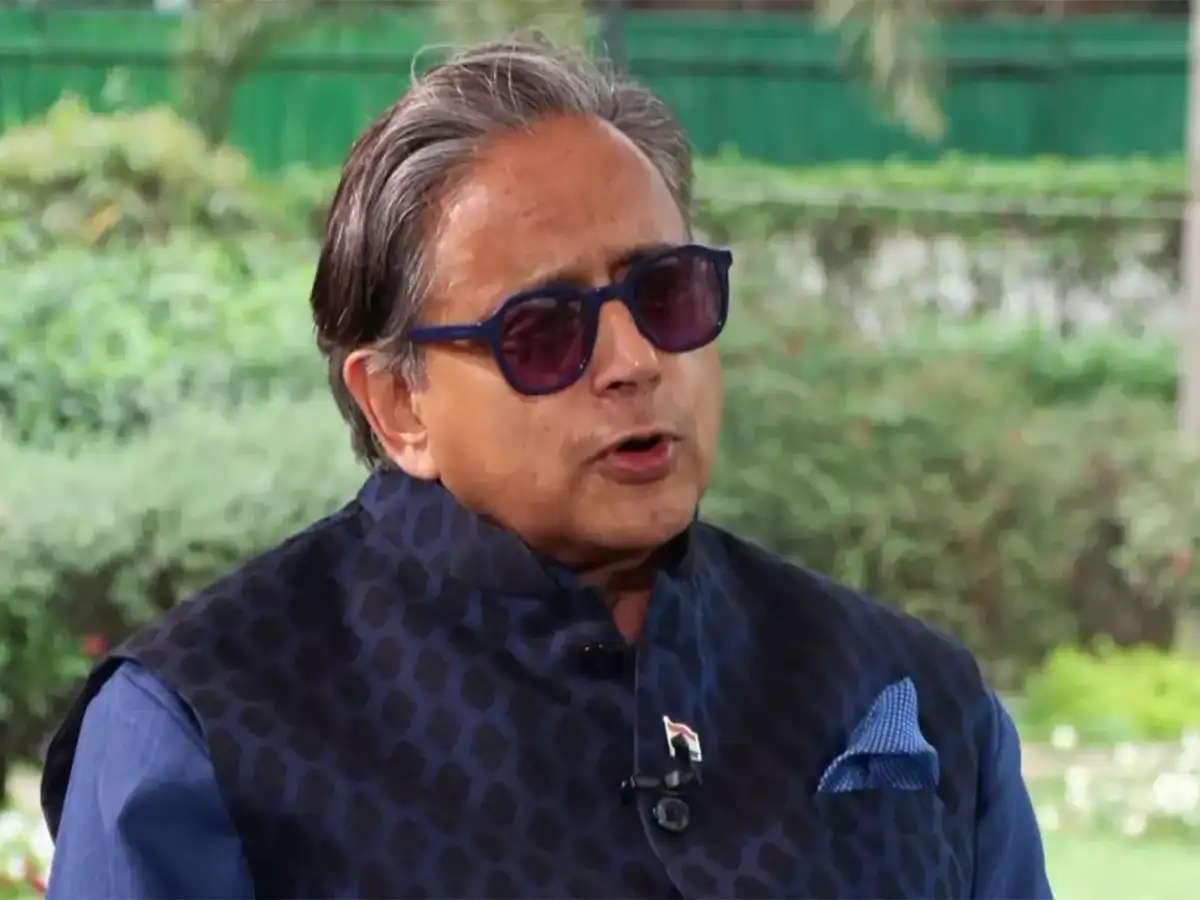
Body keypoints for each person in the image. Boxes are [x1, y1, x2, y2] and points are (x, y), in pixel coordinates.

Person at [40, 36, 1053, 900]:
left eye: (666, 294)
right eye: (544, 329)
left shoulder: (915, 694)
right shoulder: (203, 732)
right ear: (398, 405)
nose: (635, 362)